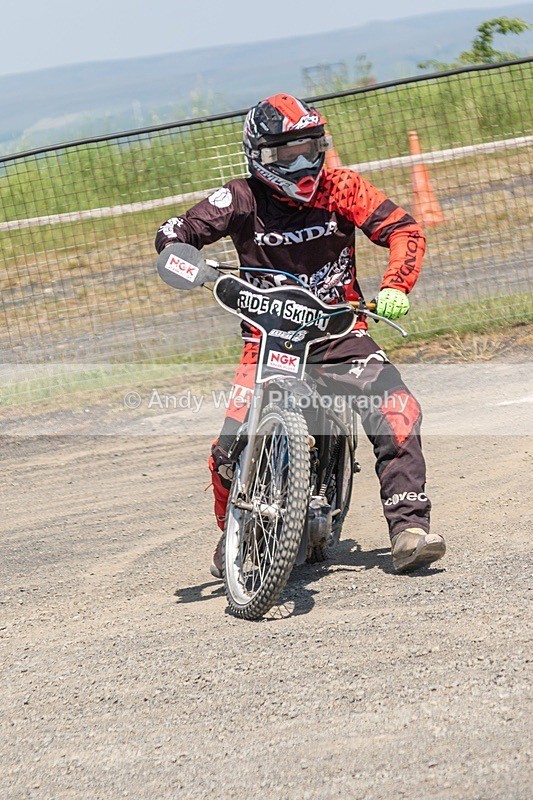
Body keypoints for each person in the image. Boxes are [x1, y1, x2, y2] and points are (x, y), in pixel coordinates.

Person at [155, 93, 446, 577]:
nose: (300, 163)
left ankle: (409, 530)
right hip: (267, 339)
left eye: (309, 149)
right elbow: (174, 231)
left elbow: (405, 229)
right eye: (285, 153)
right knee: (226, 453)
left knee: (398, 409)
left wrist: (396, 284)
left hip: (339, 330)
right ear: (258, 155)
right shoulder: (241, 198)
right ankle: (235, 534)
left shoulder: (342, 187)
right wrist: (186, 262)